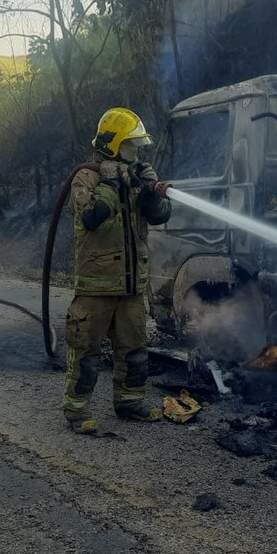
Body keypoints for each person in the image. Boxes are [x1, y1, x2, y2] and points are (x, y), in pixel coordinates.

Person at [61, 107, 172, 433]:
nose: (136, 153)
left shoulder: (133, 179)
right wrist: (110, 181)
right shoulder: (86, 179)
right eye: (130, 146)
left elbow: (159, 215)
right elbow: (91, 217)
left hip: (131, 286)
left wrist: (150, 190)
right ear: (112, 145)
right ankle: (77, 411)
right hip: (97, 287)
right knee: (86, 351)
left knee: (134, 349)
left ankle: (129, 402)